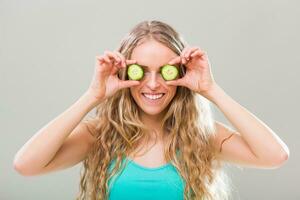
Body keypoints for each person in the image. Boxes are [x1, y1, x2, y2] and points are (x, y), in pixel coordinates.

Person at [13, 20, 290, 200]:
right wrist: (92, 96)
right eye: (141, 71)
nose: (154, 83)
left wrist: (210, 90)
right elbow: (25, 165)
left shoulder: (202, 135)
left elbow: (275, 155)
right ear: (124, 73)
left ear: (180, 73)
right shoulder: (99, 135)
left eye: (165, 72)